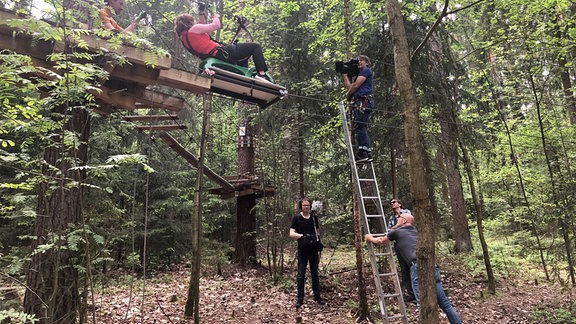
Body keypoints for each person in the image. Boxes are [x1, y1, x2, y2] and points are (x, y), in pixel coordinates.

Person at [365, 213, 462, 324]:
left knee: (421, 303)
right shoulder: (417, 231)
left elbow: (381, 241)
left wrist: (369, 237)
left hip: (417, 268)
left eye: (399, 218)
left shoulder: (397, 232)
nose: (397, 220)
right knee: (445, 304)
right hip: (432, 266)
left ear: (404, 221)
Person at [174, 7, 271, 82]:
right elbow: (216, 25)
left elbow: (202, 28)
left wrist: (201, 13)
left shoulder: (185, 40)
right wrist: (215, 14)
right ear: (190, 22)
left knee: (244, 61)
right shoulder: (194, 29)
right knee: (255, 46)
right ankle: (261, 75)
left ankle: (246, 78)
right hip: (223, 53)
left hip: (216, 57)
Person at [289, 198, 325, 308]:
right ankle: (300, 299)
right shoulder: (296, 218)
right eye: (304, 205)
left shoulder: (314, 218)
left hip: (313, 251)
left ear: (310, 206)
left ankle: (317, 297)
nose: (306, 207)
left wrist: (317, 240)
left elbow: (317, 232)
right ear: (301, 206)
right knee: (301, 276)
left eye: (308, 205)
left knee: (315, 274)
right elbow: (291, 233)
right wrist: (303, 237)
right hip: (302, 251)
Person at [341, 55, 374, 163]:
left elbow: (354, 86)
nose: (359, 62)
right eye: (358, 60)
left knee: (359, 126)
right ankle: (367, 152)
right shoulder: (360, 74)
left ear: (367, 63)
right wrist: (344, 74)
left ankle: (362, 153)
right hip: (361, 102)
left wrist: (347, 95)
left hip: (362, 101)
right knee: (362, 126)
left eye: (361, 60)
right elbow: (350, 87)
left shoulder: (366, 71)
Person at [386, 198, 415, 303]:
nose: (392, 204)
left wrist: (396, 228)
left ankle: (417, 293)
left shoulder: (406, 212)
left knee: (412, 266)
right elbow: (389, 230)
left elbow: (407, 223)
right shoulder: (391, 218)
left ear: (400, 203)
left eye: (394, 202)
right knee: (404, 269)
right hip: (398, 244)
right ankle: (410, 293)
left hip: (408, 242)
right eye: (391, 203)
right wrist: (396, 228)